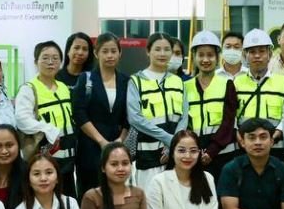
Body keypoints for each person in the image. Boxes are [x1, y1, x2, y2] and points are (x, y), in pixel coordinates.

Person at [128, 32, 189, 190]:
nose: (162, 54)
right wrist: (168, 139)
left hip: (175, 157)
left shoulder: (178, 82)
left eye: (167, 49)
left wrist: (174, 143)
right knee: (150, 202)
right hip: (148, 157)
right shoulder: (136, 81)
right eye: (157, 49)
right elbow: (135, 118)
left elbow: (184, 117)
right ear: (148, 51)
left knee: (176, 200)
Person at [73, 33, 130, 200]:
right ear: (96, 53)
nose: (110, 55)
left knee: (116, 194)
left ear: (120, 53)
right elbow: (79, 113)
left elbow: (129, 114)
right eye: (105, 51)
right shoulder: (86, 79)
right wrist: (101, 141)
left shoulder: (126, 81)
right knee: (91, 195)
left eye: (113, 51)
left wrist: (121, 139)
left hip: (117, 145)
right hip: (90, 147)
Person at [16, 41, 78, 192]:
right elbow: (22, 119)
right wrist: (48, 129)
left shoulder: (63, 87)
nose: (51, 62)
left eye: (55, 58)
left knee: (67, 199)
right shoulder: (29, 89)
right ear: (35, 62)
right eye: (45, 58)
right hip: (44, 157)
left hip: (68, 158)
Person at [185, 31, 239, 178]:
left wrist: (211, 151)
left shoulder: (227, 84)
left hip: (224, 154)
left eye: (210, 55)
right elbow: (185, 123)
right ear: (194, 56)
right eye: (201, 55)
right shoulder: (185, 87)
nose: (205, 59)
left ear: (217, 57)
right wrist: (194, 150)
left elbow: (229, 122)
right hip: (195, 156)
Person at [234, 29, 284, 159]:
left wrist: (275, 134)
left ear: (270, 54)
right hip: (244, 148)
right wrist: (238, 136)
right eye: (252, 52)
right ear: (245, 55)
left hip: (276, 148)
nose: (257, 56)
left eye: (262, 51)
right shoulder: (236, 82)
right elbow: (231, 116)